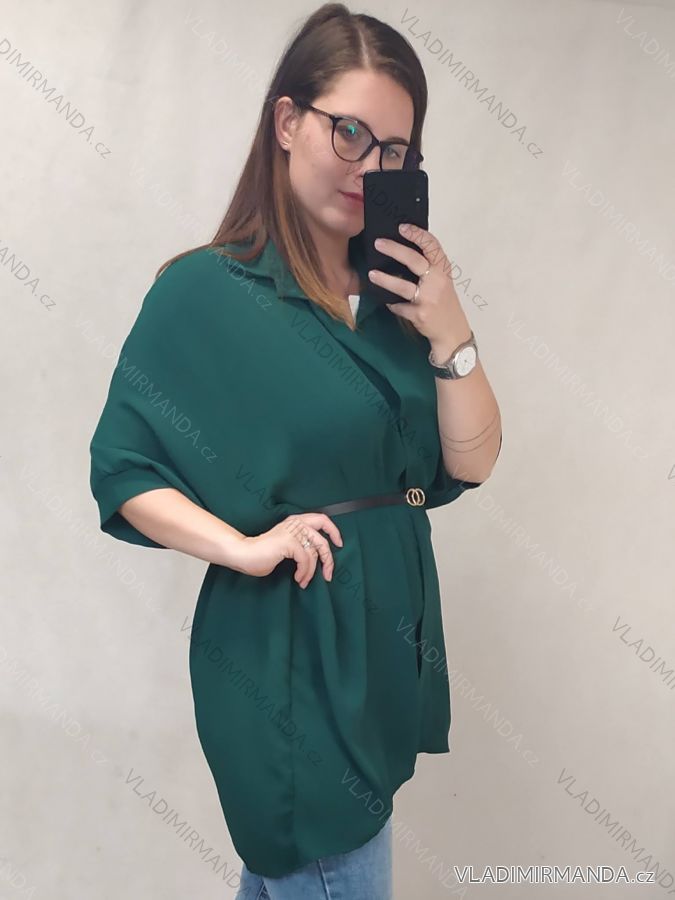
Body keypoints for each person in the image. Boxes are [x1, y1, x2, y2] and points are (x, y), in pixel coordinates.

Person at [88, 4, 502, 898]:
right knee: (326, 862)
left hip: (381, 658)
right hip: (289, 657)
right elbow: (123, 469)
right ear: (286, 121)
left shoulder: (399, 303)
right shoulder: (206, 291)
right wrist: (241, 546)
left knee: (301, 875)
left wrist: (450, 329)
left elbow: (468, 464)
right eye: (349, 133)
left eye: (396, 150)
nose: (371, 167)